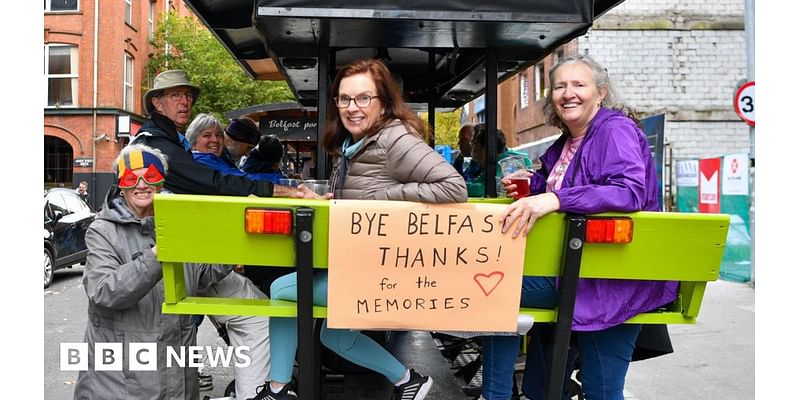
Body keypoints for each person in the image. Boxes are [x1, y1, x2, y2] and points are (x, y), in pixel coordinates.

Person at [255, 58, 467, 400]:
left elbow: (454, 187)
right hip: (361, 265)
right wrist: (330, 201)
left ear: (383, 102)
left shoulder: (395, 139)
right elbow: (358, 202)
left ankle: (277, 389)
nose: (352, 108)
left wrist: (381, 198)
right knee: (335, 337)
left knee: (281, 290)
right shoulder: (357, 145)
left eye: (363, 98)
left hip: (379, 273)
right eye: (344, 99)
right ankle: (408, 381)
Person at [479, 55, 677, 400]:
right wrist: (533, 186)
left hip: (610, 278)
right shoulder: (568, 141)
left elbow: (628, 191)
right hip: (577, 271)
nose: (568, 93)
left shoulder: (614, 129)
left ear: (600, 93)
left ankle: (495, 396)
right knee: (547, 384)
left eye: (578, 85)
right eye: (560, 86)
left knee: (497, 289)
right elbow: (569, 186)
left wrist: (553, 199)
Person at [73, 144, 233, 399]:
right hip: (119, 384)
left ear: (161, 182)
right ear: (120, 185)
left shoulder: (178, 222)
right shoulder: (102, 231)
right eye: (130, 178)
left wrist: (235, 242)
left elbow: (201, 274)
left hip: (177, 376)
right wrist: (158, 254)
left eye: (150, 176)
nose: (141, 184)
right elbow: (104, 292)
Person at [133, 69, 316, 199]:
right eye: (175, 95)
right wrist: (286, 189)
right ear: (157, 103)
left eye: (188, 96)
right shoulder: (157, 144)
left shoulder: (167, 139)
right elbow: (214, 181)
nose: (185, 102)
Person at [186, 113, 284, 184]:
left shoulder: (219, 160)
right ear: (193, 141)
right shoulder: (202, 159)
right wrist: (282, 181)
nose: (215, 140)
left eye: (219, 135)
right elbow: (241, 180)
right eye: (207, 135)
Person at [466, 124, 533, 197]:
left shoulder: (506, 163)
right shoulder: (492, 165)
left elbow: (488, 189)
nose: (473, 153)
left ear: (486, 148)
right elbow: (475, 182)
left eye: (474, 145)